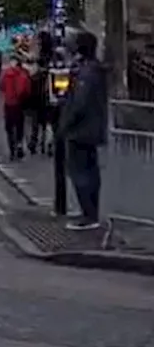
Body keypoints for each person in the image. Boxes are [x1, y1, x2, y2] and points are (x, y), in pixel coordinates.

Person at [59, 31, 107, 230]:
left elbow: (79, 104)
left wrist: (64, 125)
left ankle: (89, 215)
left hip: (81, 131)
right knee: (90, 172)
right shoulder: (92, 69)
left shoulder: (86, 73)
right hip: (91, 129)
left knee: (80, 173)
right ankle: (90, 213)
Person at [0, 55, 31, 160]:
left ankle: (12, 150)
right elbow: (26, 90)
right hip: (19, 105)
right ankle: (19, 146)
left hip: (8, 104)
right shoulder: (23, 74)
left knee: (9, 128)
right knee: (19, 127)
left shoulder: (5, 74)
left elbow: (1, 86)